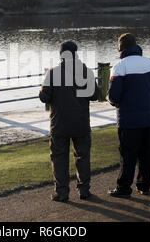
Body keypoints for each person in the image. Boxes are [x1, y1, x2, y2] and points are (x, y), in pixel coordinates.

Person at [39, 41, 99, 202]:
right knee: (83, 156)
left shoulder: (53, 73)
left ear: (61, 55)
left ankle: (62, 192)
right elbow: (95, 95)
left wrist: (43, 86)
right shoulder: (85, 72)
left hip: (59, 124)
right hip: (80, 122)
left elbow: (44, 97)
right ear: (76, 53)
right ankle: (84, 190)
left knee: (59, 158)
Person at [107, 33, 150, 197]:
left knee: (128, 154)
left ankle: (124, 188)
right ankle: (144, 185)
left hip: (128, 119)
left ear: (121, 48)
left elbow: (114, 96)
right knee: (146, 153)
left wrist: (111, 100)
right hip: (148, 117)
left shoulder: (120, 66)